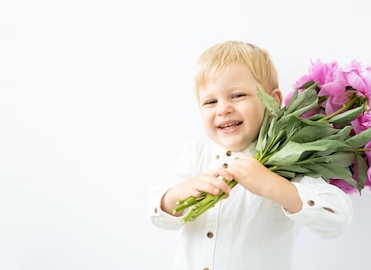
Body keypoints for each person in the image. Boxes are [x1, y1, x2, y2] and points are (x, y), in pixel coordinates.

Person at [146, 40, 353, 270]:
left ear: (273, 101)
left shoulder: (290, 161)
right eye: (210, 101)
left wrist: (273, 186)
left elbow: (338, 219)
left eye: (237, 96)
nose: (223, 109)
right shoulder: (196, 153)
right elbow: (157, 215)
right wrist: (180, 193)